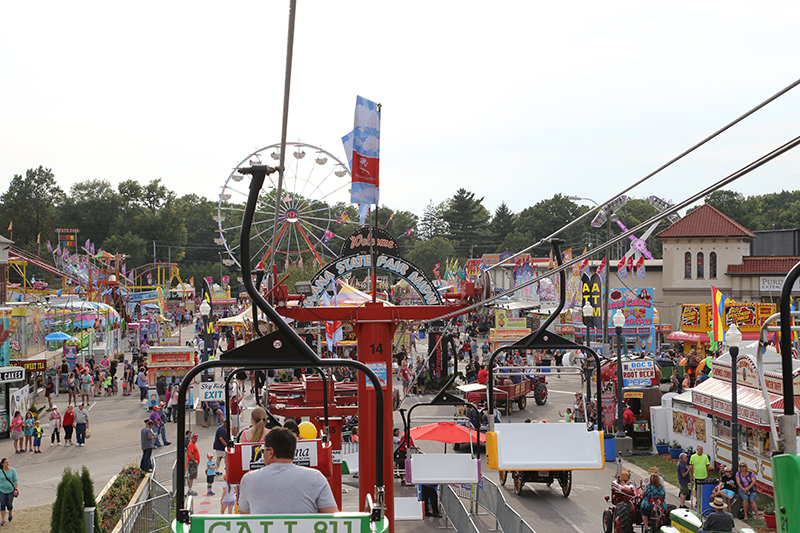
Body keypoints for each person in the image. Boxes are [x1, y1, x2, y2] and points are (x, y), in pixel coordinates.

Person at [238, 427, 338, 514]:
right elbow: (333, 518)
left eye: (263, 449)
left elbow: (245, 519)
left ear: (271, 452)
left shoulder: (249, 479)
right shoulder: (316, 477)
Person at [0, 457, 19, 525]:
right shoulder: (0, 471)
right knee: (2, 505)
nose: (8, 463)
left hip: (10, 491)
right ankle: (3, 520)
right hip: (1, 491)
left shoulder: (12, 470)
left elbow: (15, 480)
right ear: (2, 464)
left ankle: (10, 513)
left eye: (8, 462)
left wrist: (16, 489)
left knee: (9, 505)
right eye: (6, 462)